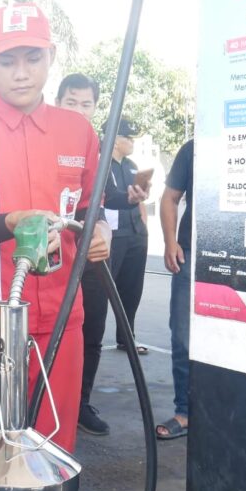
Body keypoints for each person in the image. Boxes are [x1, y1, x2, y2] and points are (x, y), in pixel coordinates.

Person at [0, 3, 111, 454]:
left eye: (32, 59)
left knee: (53, 448)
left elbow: (92, 208)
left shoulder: (79, 131)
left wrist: (102, 231)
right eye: (6, 60)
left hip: (61, 320)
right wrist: (14, 221)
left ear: (51, 57)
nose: (21, 73)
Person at [55, 76, 148, 436]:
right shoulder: (40, 138)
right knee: (44, 332)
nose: (79, 110)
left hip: (89, 255)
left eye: (86, 104)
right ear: (57, 100)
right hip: (46, 256)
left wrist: (127, 203)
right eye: (71, 102)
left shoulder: (95, 144)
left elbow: (100, 200)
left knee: (90, 329)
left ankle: (80, 403)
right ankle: (36, 401)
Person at [156, 139, 193, 440]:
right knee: (183, 337)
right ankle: (186, 412)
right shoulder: (194, 148)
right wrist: (170, 241)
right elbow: (169, 197)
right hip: (192, 257)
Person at [103, 118, 150, 356]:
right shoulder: (101, 163)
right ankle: (87, 341)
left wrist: (143, 225)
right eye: (128, 137)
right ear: (114, 138)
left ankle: (127, 339)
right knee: (102, 291)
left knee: (132, 290)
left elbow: (139, 199)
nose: (132, 142)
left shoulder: (131, 165)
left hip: (135, 233)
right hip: (111, 235)